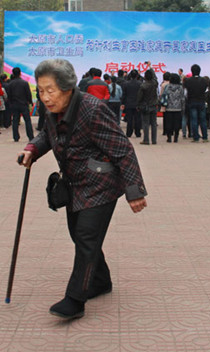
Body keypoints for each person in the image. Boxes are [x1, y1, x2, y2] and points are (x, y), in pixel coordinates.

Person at [18, 58, 147, 320]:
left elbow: (123, 149)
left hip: (101, 184)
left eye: (50, 90)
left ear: (67, 88)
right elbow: (47, 134)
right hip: (74, 183)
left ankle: (75, 298)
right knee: (79, 235)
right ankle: (101, 281)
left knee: (86, 239)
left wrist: (135, 191)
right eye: (41, 91)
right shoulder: (52, 110)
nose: (45, 97)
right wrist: (32, 149)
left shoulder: (92, 110)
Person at [8, 67, 34, 142]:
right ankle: (30, 136)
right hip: (23, 104)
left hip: (14, 104)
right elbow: (28, 94)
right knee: (27, 121)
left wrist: (10, 103)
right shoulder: (24, 83)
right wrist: (30, 101)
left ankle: (16, 137)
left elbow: (9, 95)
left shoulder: (10, 84)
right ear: (20, 73)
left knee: (15, 121)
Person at [184, 64, 208, 142]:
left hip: (192, 101)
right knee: (203, 120)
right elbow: (205, 90)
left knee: (194, 120)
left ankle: (196, 137)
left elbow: (186, 92)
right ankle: (205, 137)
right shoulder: (204, 80)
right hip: (201, 101)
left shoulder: (188, 81)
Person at [137, 67, 158, 145]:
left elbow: (139, 97)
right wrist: (151, 67)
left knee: (145, 124)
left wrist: (138, 105)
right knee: (154, 124)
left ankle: (146, 140)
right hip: (154, 105)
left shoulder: (143, 86)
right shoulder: (155, 84)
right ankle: (154, 140)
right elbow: (155, 77)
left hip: (145, 106)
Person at [164, 73, 185, 143]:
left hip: (169, 107)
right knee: (177, 123)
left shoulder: (167, 87)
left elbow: (164, 96)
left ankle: (169, 137)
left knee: (169, 123)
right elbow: (182, 98)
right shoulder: (180, 88)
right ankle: (176, 137)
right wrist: (183, 107)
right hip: (178, 108)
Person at [120, 69, 142, 138]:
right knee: (137, 119)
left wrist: (122, 103)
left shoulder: (126, 84)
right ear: (137, 76)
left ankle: (129, 133)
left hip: (128, 104)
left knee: (129, 119)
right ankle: (138, 133)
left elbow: (124, 94)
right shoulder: (140, 84)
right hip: (137, 104)